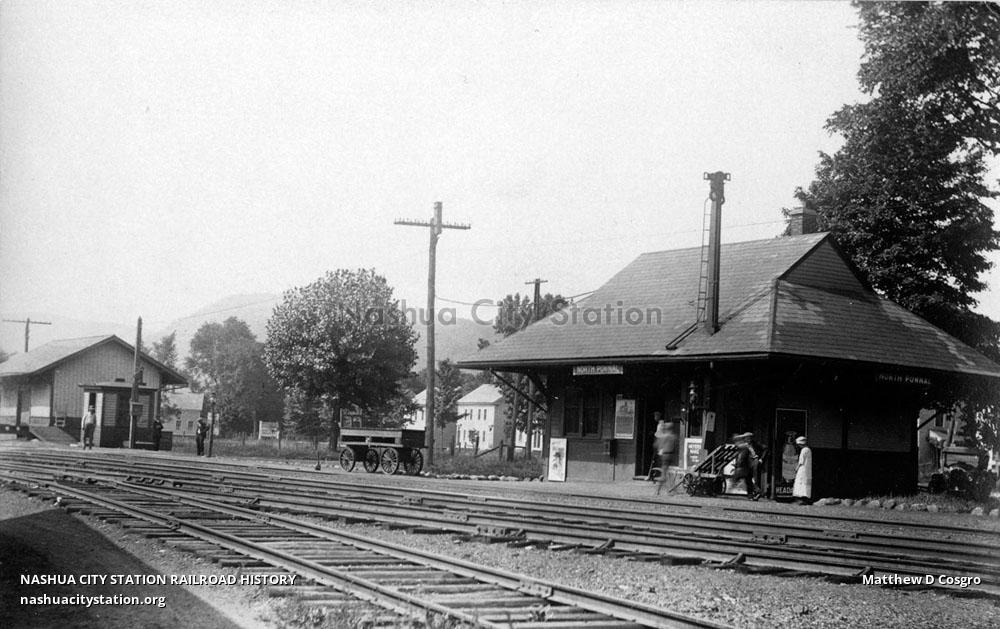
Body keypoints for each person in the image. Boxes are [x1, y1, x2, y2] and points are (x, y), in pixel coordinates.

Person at [733, 435, 760, 500]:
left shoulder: (745, 446)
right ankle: (754, 493)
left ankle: (756, 491)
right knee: (748, 481)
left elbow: (742, 457)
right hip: (748, 467)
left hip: (744, 467)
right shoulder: (748, 447)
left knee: (737, 478)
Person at [792, 435, 813, 505]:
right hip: (807, 470)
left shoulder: (803, 450)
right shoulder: (808, 450)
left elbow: (801, 461)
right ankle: (805, 498)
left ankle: (800, 498)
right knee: (805, 484)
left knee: (800, 482)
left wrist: (796, 468)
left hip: (802, 469)